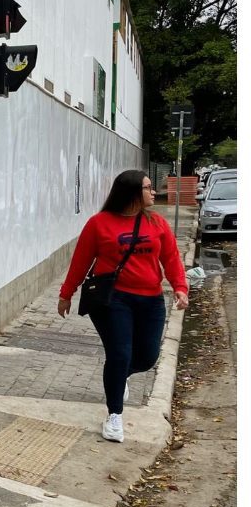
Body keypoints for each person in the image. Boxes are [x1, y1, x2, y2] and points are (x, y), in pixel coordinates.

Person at [58, 169, 188, 443]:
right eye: (148, 187)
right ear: (131, 192)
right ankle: (114, 414)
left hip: (151, 299)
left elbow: (172, 257)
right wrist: (66, 293)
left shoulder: (157, 223)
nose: (154, 192)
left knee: (147, 357)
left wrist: (180, 287)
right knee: (119, 353)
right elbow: (80, 261)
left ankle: (121, 377)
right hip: (113, 299)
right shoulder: (99, 224)